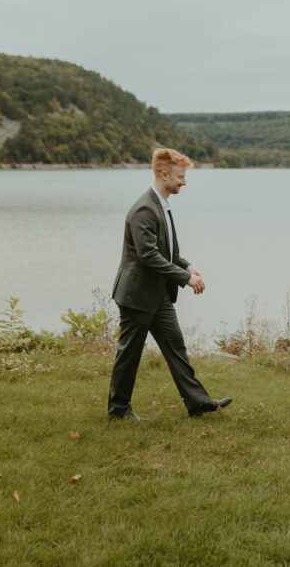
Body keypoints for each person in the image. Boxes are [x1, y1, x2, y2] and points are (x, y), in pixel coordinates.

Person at [108, 148, 233, 420]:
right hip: (137, 295)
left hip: (159, 294)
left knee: (176, 348)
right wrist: (185, 278)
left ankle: (198, 403)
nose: (184, 182)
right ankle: (118, 410)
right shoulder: (144, 208)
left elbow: (168, 253)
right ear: (163, 175)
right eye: (180, 176)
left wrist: (187, 266)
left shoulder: (162, 205)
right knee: (129, 354)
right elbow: (148, 256)